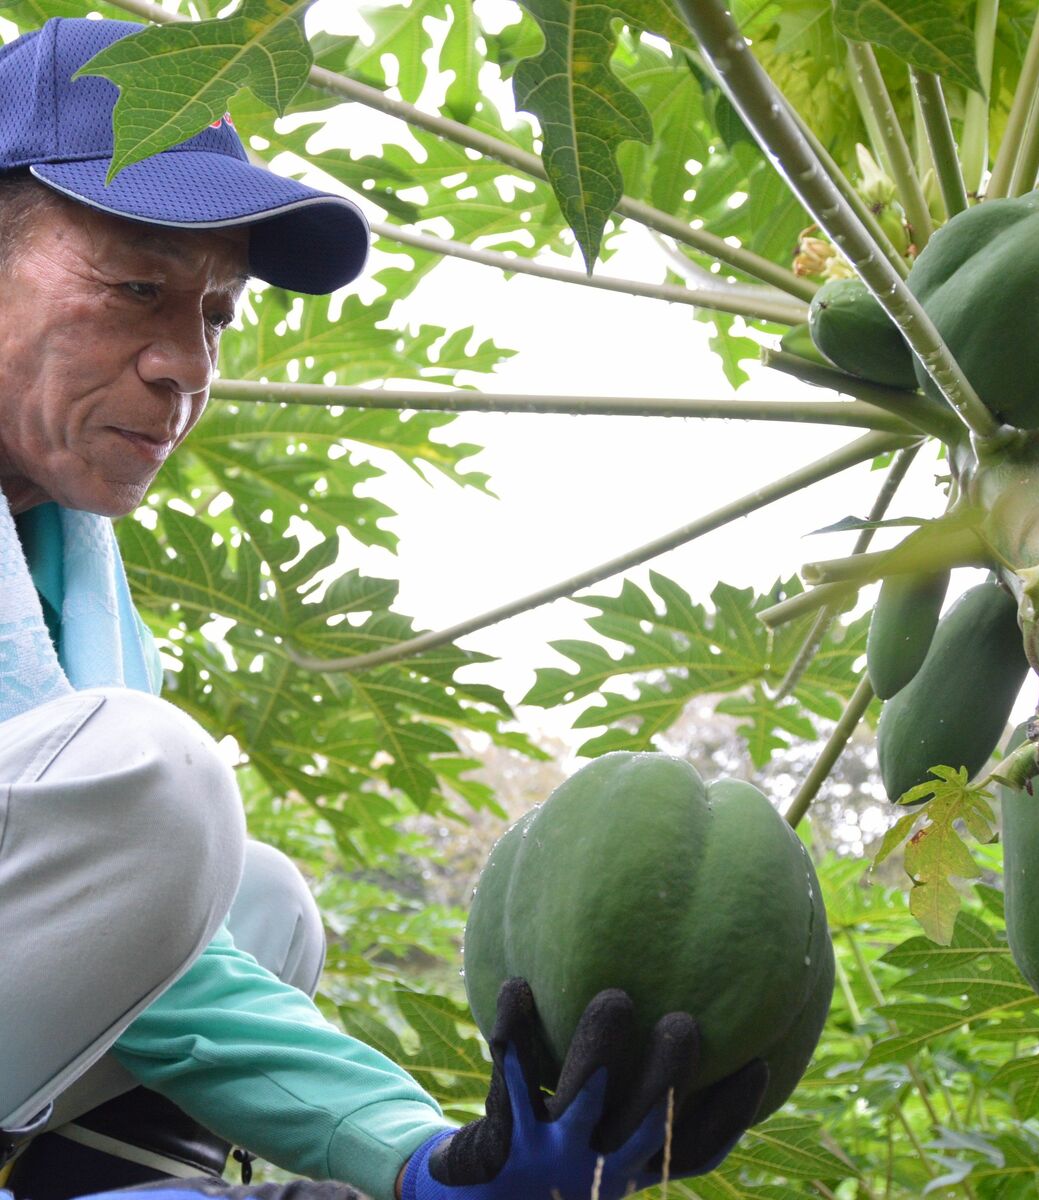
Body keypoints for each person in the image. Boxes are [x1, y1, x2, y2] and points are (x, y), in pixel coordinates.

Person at [0, 17, 766, 1200]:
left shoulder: (67, 556)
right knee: (157, 784)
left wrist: (423, 1159)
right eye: (137, 287)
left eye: (213, 316)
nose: (185, 367)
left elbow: (169, 954)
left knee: (254, 898)